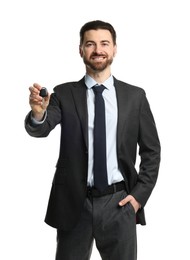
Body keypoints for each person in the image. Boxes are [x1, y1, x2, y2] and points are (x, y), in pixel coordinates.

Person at [25, 20, 161, 260]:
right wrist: (38, 113)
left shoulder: (135, 97)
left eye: (104, 43)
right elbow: (41, 128)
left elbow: (152, 151)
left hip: (120, 203)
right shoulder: (64, 94)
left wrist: (138, 198)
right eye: (90, 44)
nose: (98, 49)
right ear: (81, 50)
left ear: (115, 49)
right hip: (74, 204)